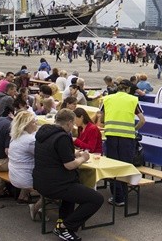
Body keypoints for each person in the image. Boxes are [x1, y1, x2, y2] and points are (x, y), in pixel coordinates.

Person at [33, 109, 103, 241]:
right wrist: (83, 158)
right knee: (96, 199)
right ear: (70, 122)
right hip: (56, 184)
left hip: (40, 180)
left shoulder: (44, 133)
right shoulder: (62, 137)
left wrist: (75, 154)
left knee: (74, 188)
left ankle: (62, 222)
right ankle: (65, 227)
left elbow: (55, 154)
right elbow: (69, 165)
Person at [99, 79, 145, 208]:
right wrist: (133, 129)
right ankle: (123, 195)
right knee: (125, 166)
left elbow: (101, 118)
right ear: (128, 89)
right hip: (127, 138)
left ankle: (117, 196)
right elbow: (142, 120)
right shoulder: (133, 100)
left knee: (113, 166)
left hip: (111, 136)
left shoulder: (107, 99)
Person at [8, 111, 42, 217]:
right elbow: (43, 156)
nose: (36, 124)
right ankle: (36, 208)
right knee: (55, 187)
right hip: (25, 178)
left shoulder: (15, 136)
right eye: (34, 122)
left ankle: (23, 196)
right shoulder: (30, 140)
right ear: (26, 125)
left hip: (14, 175)